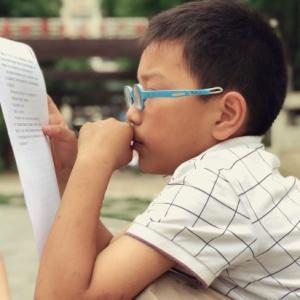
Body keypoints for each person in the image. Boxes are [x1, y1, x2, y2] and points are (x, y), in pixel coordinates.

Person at [35, 1, 300, 299]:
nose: (133, 114)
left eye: (149, 93)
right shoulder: (238, 172)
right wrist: (70, 172)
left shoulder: (217, 182)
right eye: (135, 92)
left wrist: (94, 161)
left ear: (226, 115)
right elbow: (113, 265)